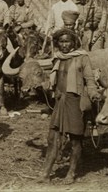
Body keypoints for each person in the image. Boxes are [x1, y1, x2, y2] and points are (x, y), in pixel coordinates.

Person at [41, 28, 100, 183]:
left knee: (75, 140)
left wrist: (93, 92)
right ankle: (45, 173)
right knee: (52, 138)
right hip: (60, 102)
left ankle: (71, 172)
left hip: (75, 102)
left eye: (67, 41)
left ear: (74, 42)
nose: (64, 45)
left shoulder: (82, 58)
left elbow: (90, 79)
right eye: (61, 41)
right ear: (57, 43)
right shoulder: (58, 58)